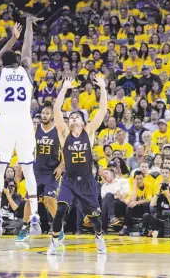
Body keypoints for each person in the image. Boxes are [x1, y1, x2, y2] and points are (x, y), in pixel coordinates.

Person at [0, 16, 43, 237]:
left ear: (4, 61)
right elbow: (29, 48)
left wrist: (12, 38)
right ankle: (35, 216)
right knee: (29, 170)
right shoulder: (26, 70)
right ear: (19, 61)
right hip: (23, 122)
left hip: (4, 123)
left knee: (0, 169)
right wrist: (29, 24)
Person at [48, 75, 108, 255]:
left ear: (83, 121)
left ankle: (99, 238)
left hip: (87, 181)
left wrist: (103, 88)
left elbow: (103, 110)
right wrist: (64, 89)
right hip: (69, 180)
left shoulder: (89, 132)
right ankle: (54, 241)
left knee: (95, 219)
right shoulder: (64, 133)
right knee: (60, 211)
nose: (73, 118)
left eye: (76, 117)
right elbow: (56, 110)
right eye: (71, 117)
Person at [16, 105, 63, 241]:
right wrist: (20, 169)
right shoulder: (35, 130)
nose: (44, 115)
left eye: (47, 113)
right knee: (29, 199)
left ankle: (58, 228)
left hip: (52, 172)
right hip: (36, 171)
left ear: (52, 116)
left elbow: (66, 153)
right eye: (43, 113)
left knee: (49, 198)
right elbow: (26, 151)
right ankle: (25, 228)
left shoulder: (58, 131)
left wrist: (61, 166)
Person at [145, 168, 170, 238]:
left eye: (168, 187)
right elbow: (152, 205)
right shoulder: (160, 196)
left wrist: (168, 196)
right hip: (161, 221)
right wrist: (157, 193)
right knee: (146, 215)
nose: (166, 189)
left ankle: (157, 231)